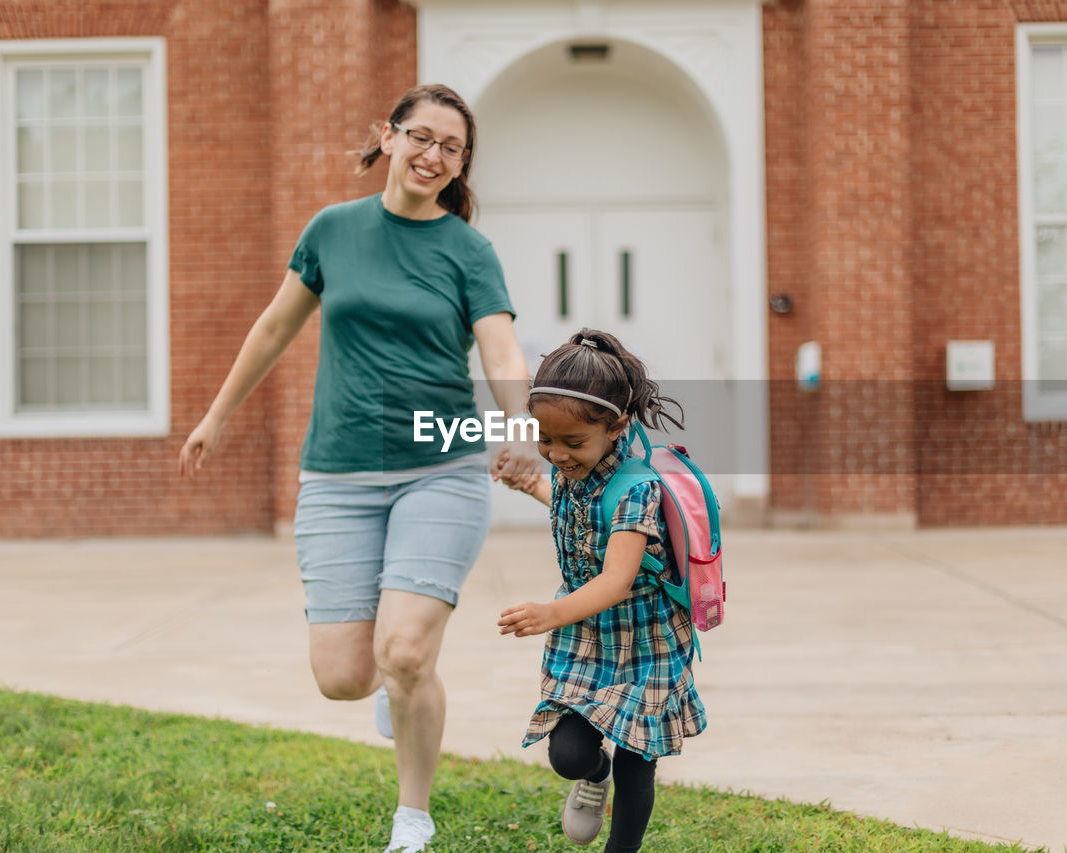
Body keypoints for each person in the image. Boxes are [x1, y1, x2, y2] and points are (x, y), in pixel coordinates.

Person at [178, 83, 540, 853]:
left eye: (452, 146)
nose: (433, 155)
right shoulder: (332, 230)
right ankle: (393, 689)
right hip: (339, 474)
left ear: (462, 162)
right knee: (345, 675)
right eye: (421, 136)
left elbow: (501, 347)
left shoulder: (467, 250)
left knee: (406, 650)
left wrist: (521, 427)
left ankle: (413, 816)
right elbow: (275, 325)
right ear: (389, 135)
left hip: (439, 466)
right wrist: (216, 414)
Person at [495, 329, 706, 852]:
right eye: (545, 440)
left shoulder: (638, 490)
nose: (556, 454)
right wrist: (533, 485)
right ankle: (595, 774)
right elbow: (584, 517)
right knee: (568, 754)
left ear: (618, 427)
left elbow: (616, 578)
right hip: (586, 639)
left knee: (639, 758)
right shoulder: (571, 473)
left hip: (645, 641)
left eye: (572, 443)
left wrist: (550, 612)